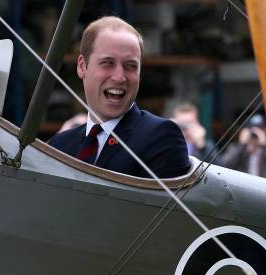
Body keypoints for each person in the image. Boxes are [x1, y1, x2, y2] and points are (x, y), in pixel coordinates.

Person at [49, 16, 190, 178]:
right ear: (82, 66)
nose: (119, 77)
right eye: (108, 63)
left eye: (130, 66)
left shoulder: (161, 137)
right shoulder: (59, 146)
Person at [220, 114, 266, 180]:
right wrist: (241, 145)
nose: (255, 134)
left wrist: (265, 145)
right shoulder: (237, 148)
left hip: (264, 188)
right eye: (252, 130)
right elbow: (224, 166)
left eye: (260, 129)